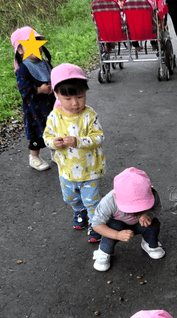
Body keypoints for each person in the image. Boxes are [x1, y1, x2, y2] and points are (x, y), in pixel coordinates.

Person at [44, 64, 105, 242]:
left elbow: (98, 137)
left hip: (89, 168)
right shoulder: (55, 117)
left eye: (80, 96)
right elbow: (47, 137)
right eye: (68, 98)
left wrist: (78, 141)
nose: (75, 103)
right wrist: (53, 143)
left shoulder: (89, 115)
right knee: (69, 196)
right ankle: (79, 210)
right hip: (66, 169)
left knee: (92, 201)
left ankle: (96, 224)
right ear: (56, 94)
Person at [91, 167, 164, 271]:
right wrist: (117, 235)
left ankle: (149, 243)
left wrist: (148, 214)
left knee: (153, 224)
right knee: (113, 229)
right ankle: (104, 251)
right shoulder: (108, 202)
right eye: (131, 208)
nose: (135, 213)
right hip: (116, 225)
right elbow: (97, 225)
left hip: (140, 223)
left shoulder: (153, 194)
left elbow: (157, 208)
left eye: (141, 207)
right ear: (116, 196)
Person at [11, 26, 55, 171]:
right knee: (37, 133)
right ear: (20, 50)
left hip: (50, 104)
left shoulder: (44, 63)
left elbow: (54, 75)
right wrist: (39, 89)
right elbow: (23, 90)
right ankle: (34, 157)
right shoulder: (23, 68)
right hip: (34, 108)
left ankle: (56, 152)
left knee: (55, 127)